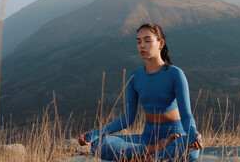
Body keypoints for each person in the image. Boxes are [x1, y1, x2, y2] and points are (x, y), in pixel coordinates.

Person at [78, 23, 203, 161]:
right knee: (99, 145)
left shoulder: (175, 73)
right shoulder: (134, 76)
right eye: (139, 42)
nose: (142, 45)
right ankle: (155, 152)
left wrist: (193, 135)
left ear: (160, 43)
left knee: (190, 151)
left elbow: (186, 115)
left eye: (147, 41)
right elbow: (127, 119)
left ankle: (143, 156)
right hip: (147, 138)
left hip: (174, 137)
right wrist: (95, 134)